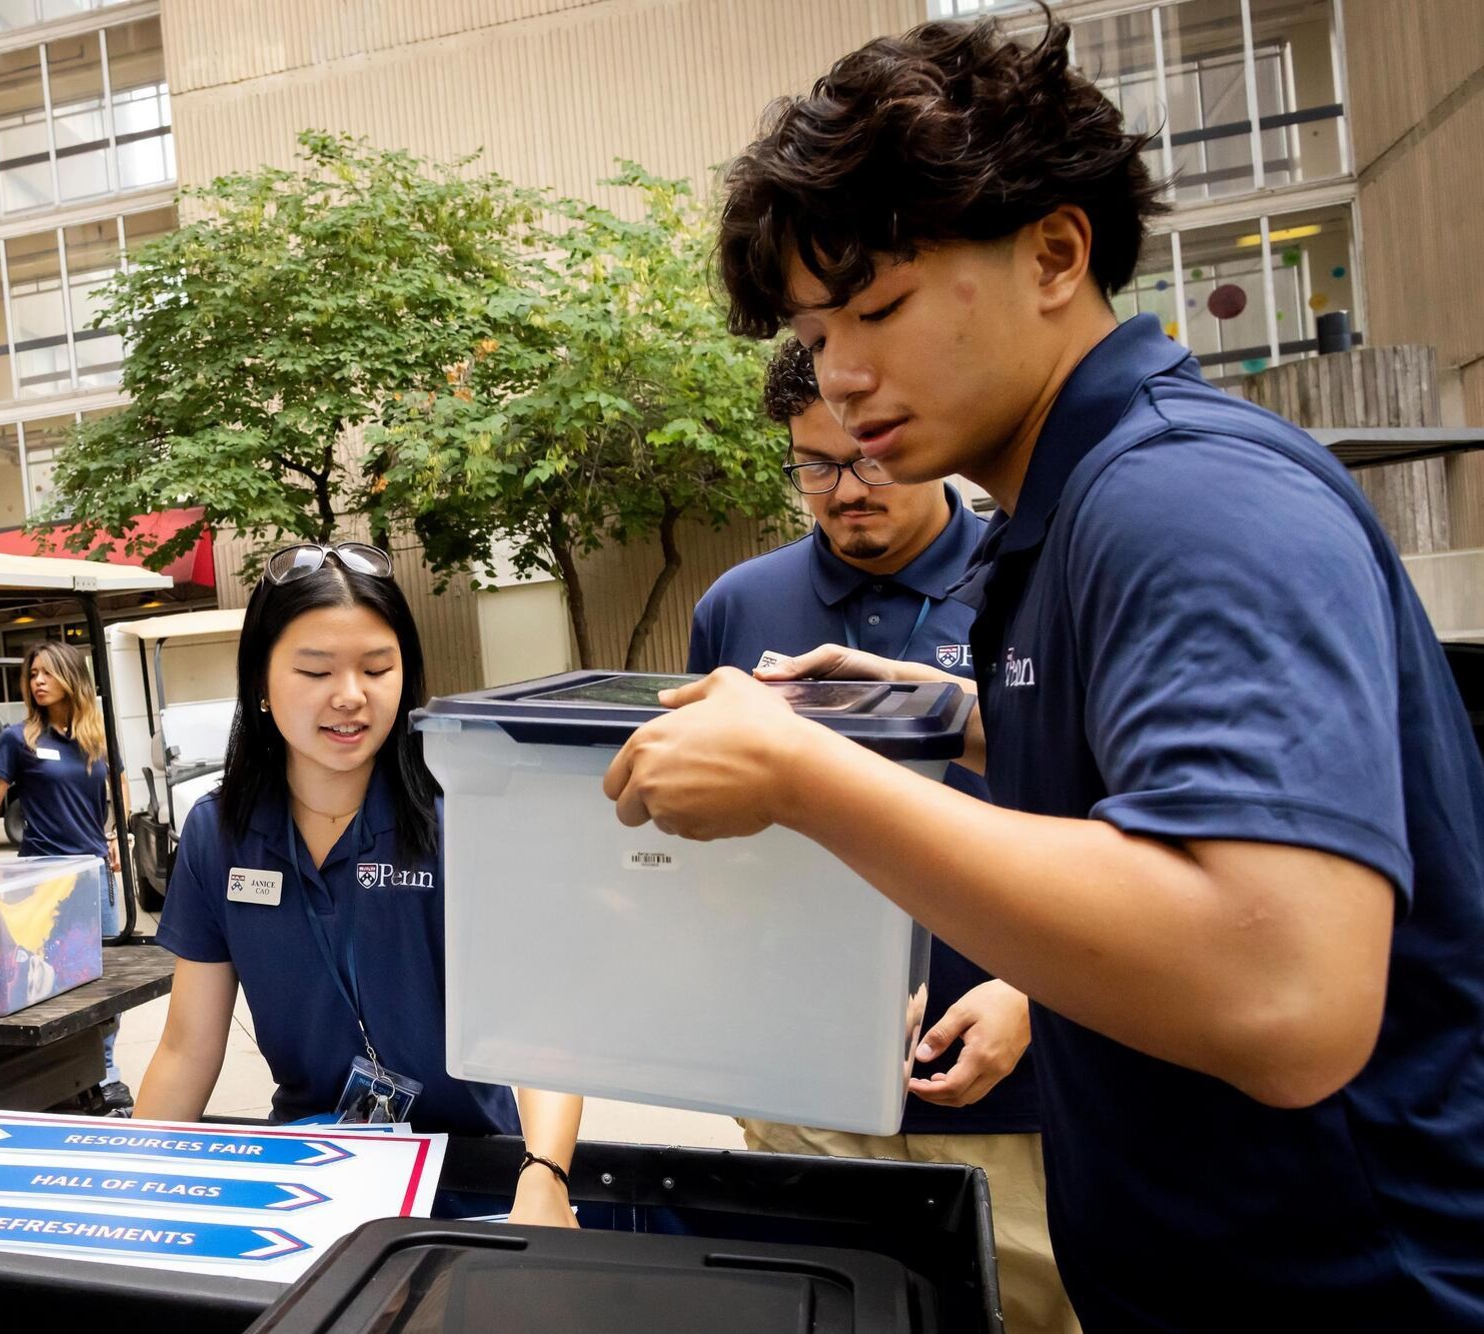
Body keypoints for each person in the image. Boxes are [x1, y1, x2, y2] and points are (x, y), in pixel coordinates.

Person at [605, 13, 1484, 1332]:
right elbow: (1140, 784)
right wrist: (938, 722)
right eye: (813, 328)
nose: (840, 379)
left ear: (1056, 252)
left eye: (878, 307)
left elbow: (1286, 987)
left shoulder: (1181, 496)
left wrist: (807, 775)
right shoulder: (1070, 506)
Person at [689, 338, 1072, 1334]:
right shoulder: (735, 607)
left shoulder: (1040, 579)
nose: (842, 488)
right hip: (802, 1099)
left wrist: (1039, 990)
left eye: (864, 457)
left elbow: (1126, 818)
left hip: (1018, 1106)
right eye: (812, 464)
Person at [137, 542, 584, 1227]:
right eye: (315, 670)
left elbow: (543, 1028)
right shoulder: (218, 833)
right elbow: (187, 1045)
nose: (351, 696)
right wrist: (131, 1182)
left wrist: (545, 1175)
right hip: (310, 1171)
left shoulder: (461, 816)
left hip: (472, 1172)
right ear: (259, 680)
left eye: (378, 668)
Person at [0, 640, 132, 1112]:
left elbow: (118, 786)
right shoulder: (18, 738)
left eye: (46, 673)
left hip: (92, 874)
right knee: (49, 980)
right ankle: (61, 1078)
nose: (37, 682)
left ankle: (106, 1074)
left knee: (104, 983)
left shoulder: (97, 735)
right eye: (32, 674)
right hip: (42, 876)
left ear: (70, 677)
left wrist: (115, 836)